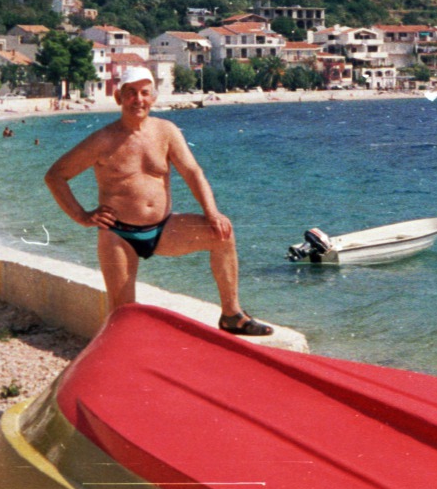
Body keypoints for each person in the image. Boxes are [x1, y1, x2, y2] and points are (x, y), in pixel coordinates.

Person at [44, 64, 272, 336]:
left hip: (163, 228)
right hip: (119, 235)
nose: (137, 99)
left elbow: (192, 172)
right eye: (130, 93)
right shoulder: (102, 140)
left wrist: (212, 212)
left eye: (144, 93)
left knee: (222, 233)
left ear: (153, 97)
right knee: (123, 316)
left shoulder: (166, 131)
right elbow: (55, 176)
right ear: (118, 98)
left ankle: (232, 315)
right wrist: (81, 216)